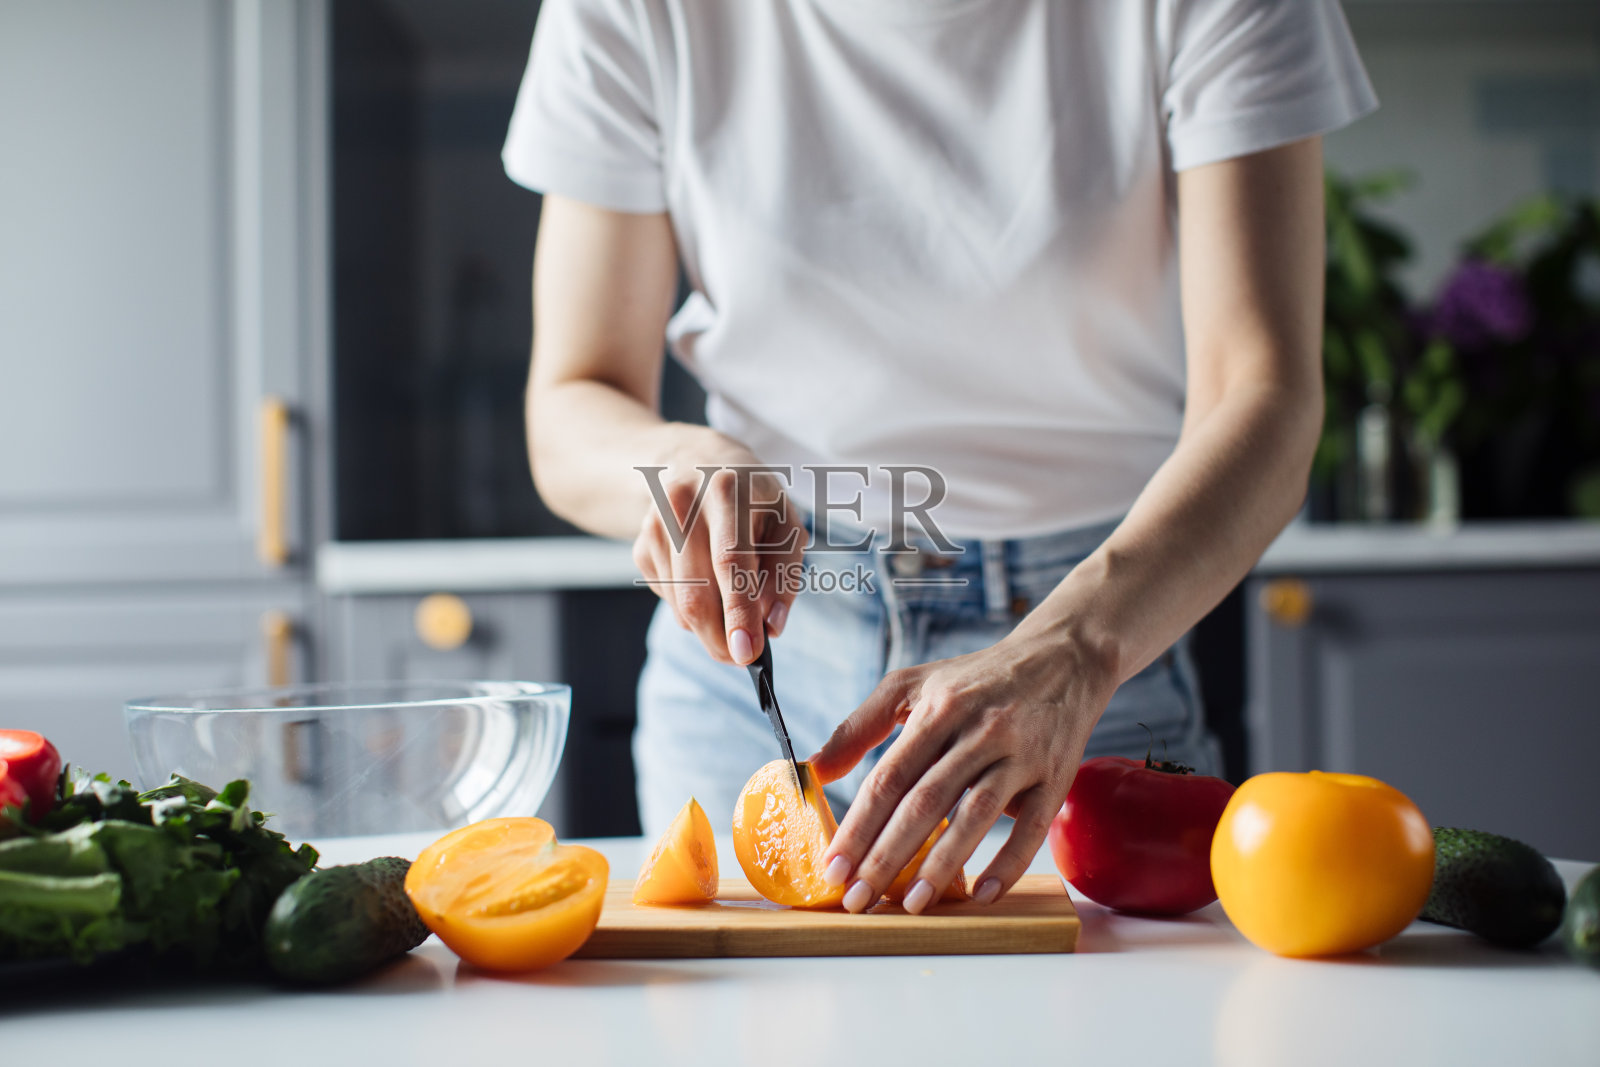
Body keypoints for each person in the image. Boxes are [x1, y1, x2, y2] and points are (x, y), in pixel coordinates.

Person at [506, 0, 1376, 915]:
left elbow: (1267, 397)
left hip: (1089, 647)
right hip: (756, 671)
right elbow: (570, 406)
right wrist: (684, 461)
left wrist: (1073, 648)